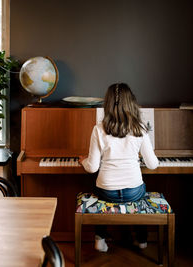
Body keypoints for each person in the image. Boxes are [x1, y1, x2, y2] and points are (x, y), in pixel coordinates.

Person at [79, 82, 159, 252]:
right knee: (142, 192)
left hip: (107, 191)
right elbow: (153, 165)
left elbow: (92, 167)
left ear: (107, 104)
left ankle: (100, 238)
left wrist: (82, 161)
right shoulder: (140, 128)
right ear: (131, 102)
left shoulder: (99, 129)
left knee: (98, 191)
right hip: (133, 192)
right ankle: (142, 239)